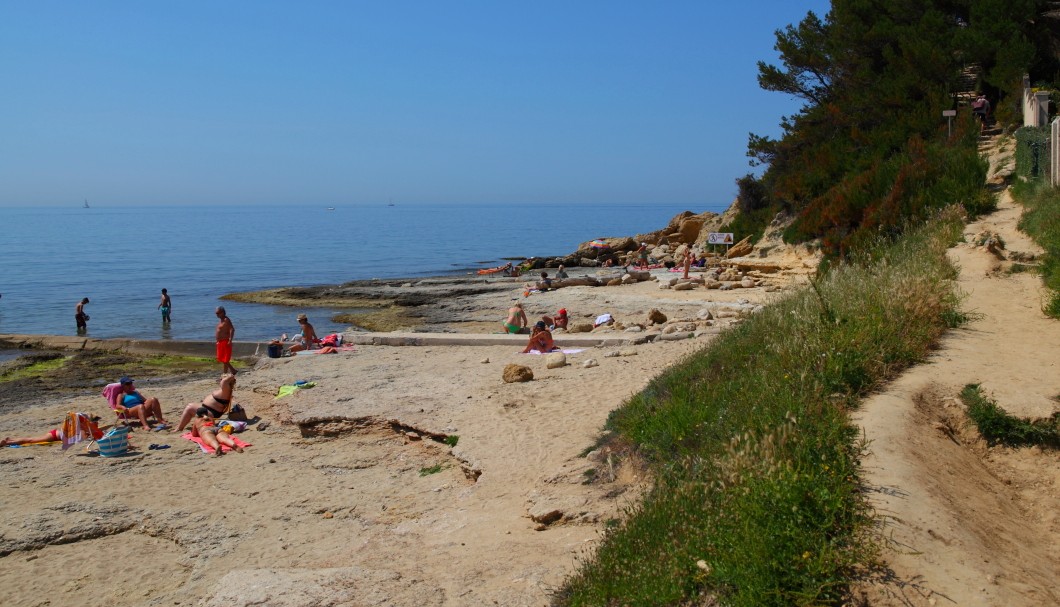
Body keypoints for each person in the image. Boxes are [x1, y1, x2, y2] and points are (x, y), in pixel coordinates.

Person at [1, 416, 103, 447]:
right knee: (31, 440)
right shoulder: (84, 429)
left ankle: (11, 440)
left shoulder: (86, 429)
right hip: (54, 436)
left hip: (56, 434)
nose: (97, 425)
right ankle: (8, 442)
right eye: (96, 423)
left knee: (32, 439)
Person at [215, 306, 236, 375]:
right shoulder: (221, 320)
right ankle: (225, 373)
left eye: (218, 313)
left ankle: (233, 370)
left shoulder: (226, 320)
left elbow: (232, 329)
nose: (216, 315)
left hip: (225, 341)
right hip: (220, 342)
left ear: (223, 312)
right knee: (223, 358)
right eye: (216, 313)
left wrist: (230, 339)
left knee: (223, 358)